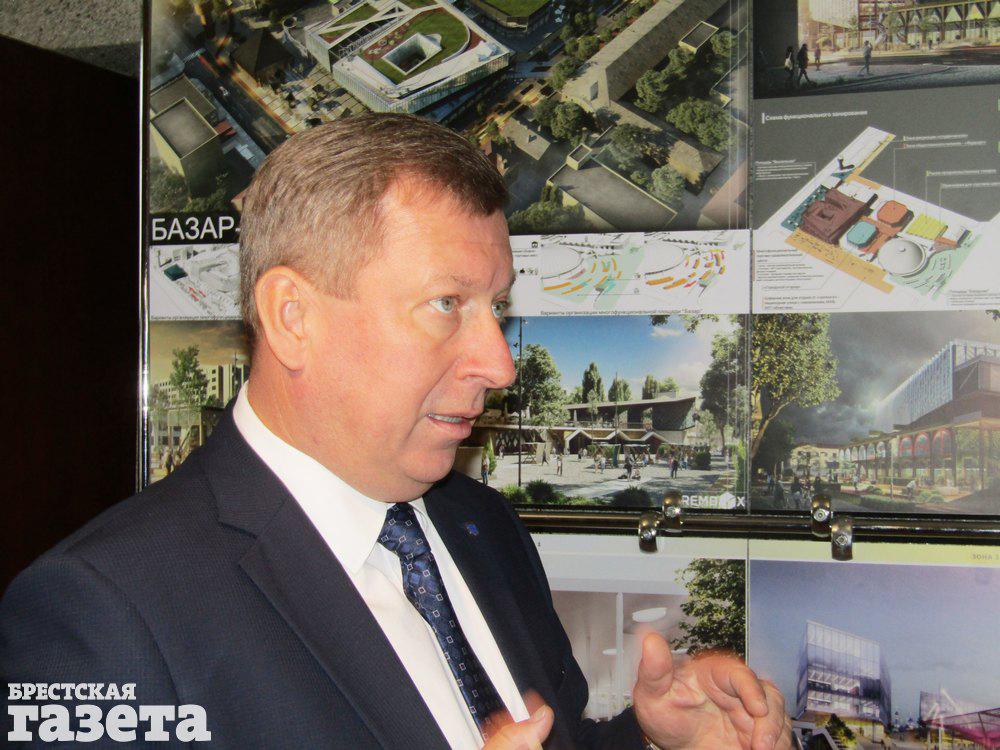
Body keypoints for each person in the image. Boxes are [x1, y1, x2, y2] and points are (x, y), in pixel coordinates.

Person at [0, 115, 790, 750]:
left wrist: (653, 741)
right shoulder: (101, 612)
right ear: (293, 317)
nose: (500, 364)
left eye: (496, 308)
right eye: (447, 304)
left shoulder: (484, 526)